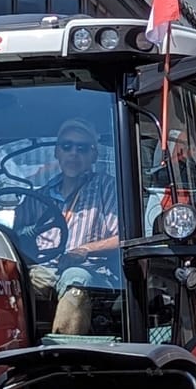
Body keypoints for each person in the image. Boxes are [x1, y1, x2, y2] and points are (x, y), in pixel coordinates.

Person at [21, 117, 122, 336]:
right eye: (66, 146)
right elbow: (15, 231)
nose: (73, 153)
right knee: (9, 280)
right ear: (57, 152)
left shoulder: (107, 186)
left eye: (82, 148)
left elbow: (122, 236)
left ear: (94, 155)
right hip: (43, 269)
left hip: (91, 272)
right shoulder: (41, 194)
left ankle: (65, 356)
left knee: (75, 278)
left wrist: (85, 251)